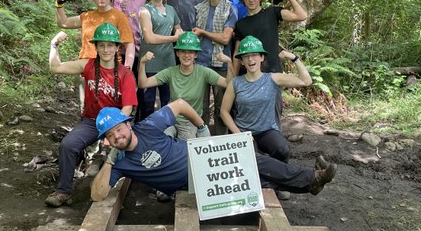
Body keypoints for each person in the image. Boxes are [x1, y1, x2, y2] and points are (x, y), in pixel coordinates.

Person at [90, 101, 337, 202]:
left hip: (203, 156)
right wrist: (111, 159)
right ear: (108, 141)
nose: (118, 136)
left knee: (251, 163)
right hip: (192, 184)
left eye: (119, 129)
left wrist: (201, 127)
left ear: (128, 124)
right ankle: (310, 181)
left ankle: (310, 182)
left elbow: (179, 104)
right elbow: (97, 195)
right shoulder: (121, 162)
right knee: (252, 171)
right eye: (111, 136)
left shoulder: (147, 127)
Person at [45, 23, 137, 207]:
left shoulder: (125, 74)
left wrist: (112, 129)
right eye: (101, 45)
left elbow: (128, 107)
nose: (106, 49)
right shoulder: (88, 65)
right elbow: (56, 67)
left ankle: (107, 170)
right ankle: (64, 190)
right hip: (91, 121)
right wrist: (53, 45)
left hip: (115, 124)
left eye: (110, 45)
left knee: (119, 152)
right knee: (68, 145)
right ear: (96, 47)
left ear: (117, 48)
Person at [221, 36, 333, 174]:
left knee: (282, 150)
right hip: (244, 131)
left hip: (267, 130)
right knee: (253, 160)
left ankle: (279, 180)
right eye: (246, 56)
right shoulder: (236, 83)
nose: (251, 59)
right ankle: (297, 177)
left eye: (255, 55)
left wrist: (294, 58)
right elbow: (224, 112)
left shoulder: (273, 78)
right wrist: (239, 135)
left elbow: (306, 81)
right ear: (242, 61)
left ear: (262, 57)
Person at [138, 31, 231, 140]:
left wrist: (229, 62)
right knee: (161, 139)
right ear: (177, 53)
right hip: (171, 118)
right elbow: (143, 84)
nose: (186, 55)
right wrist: (142, 63)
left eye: (190, 52)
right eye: (183, 51)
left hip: (190, 122)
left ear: (195, 54)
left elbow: (228, 83)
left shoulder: (203, 72)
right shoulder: (170, 72)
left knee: (184, 147)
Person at [55, 0, 135, 70]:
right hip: (85, 66)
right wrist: (59, 6)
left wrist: (127, 67)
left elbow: (129, 43)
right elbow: (64, 23)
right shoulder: (87, 16)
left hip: (109, 69)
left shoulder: (119, 17)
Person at [232, 0, 307, 75]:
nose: (251, 0)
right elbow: (237, 53)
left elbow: (301, 16)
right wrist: (233, 79)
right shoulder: (241, 24)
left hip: (273, 73)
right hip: (250, 76)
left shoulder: (272, 13)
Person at [193, 0, 237, 136]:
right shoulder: (200, 7)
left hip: (220, 64)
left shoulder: (229, 8)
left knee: (221, 107)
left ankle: (221, 141)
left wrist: (203, 32)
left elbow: (226, 38)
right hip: (201, 63)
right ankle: (201, 142)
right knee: (200, 106)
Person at [137, 0, 183, 121]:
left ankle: (165, 132)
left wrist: (181, 35)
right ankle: (144, 133)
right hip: (149, 62)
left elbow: (179, 29)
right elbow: (149, 37)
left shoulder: (171, 10)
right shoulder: (145, 10)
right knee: (147, 102)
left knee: (167, 100)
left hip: (168, 62)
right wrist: (173, 38)